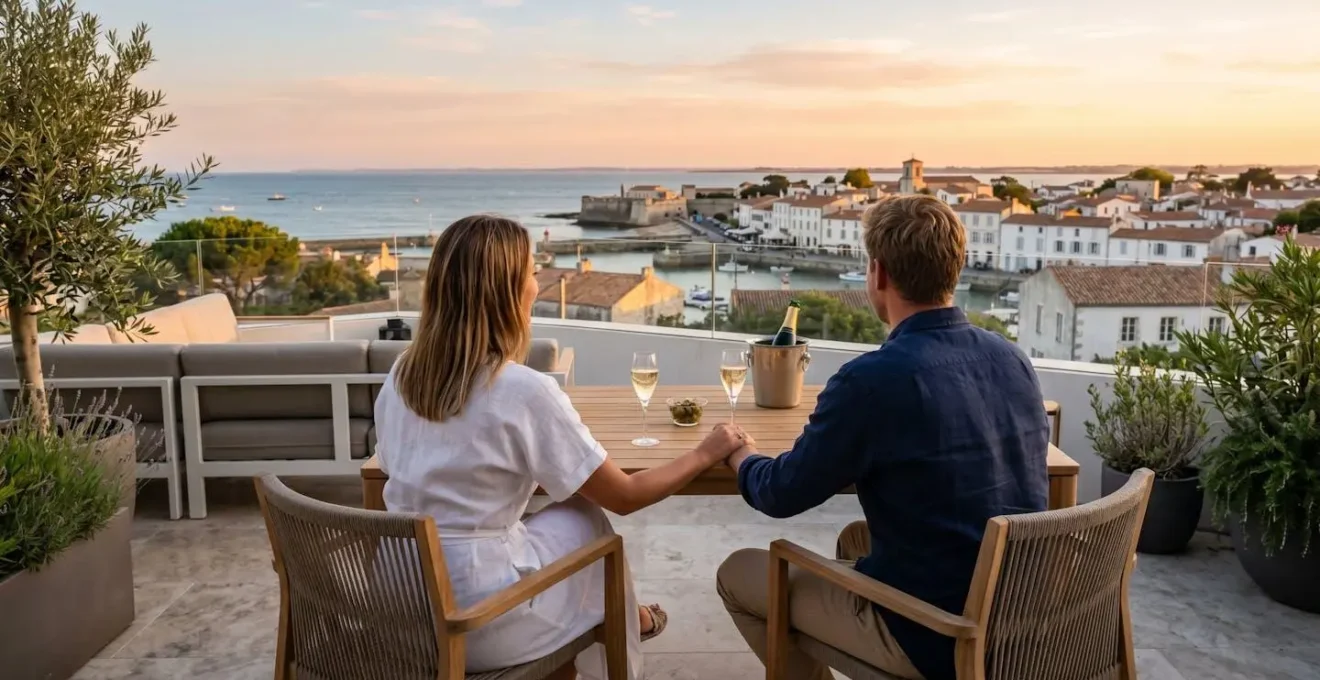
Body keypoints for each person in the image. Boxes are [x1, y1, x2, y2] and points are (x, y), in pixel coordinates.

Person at [375, 215, 747, 680]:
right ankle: (628, 623)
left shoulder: (402, 375)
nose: (537, 283)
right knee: (592, 523)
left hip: (396, 608)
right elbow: (625, 497)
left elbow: (405, 469)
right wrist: (705, 452)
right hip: (470, 621)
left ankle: (629, 617)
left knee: (573, 516)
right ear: (509, 290)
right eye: (532, 273)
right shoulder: (521, 390)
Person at [716, 196, 1050, 680]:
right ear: (955, 268)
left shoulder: (872, 380)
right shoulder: (1012, 358)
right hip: (1023, 614)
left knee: (739, 574)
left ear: (878, 274)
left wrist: (739, 454)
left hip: (942, 634)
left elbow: (781, 493)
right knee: (856, 538)